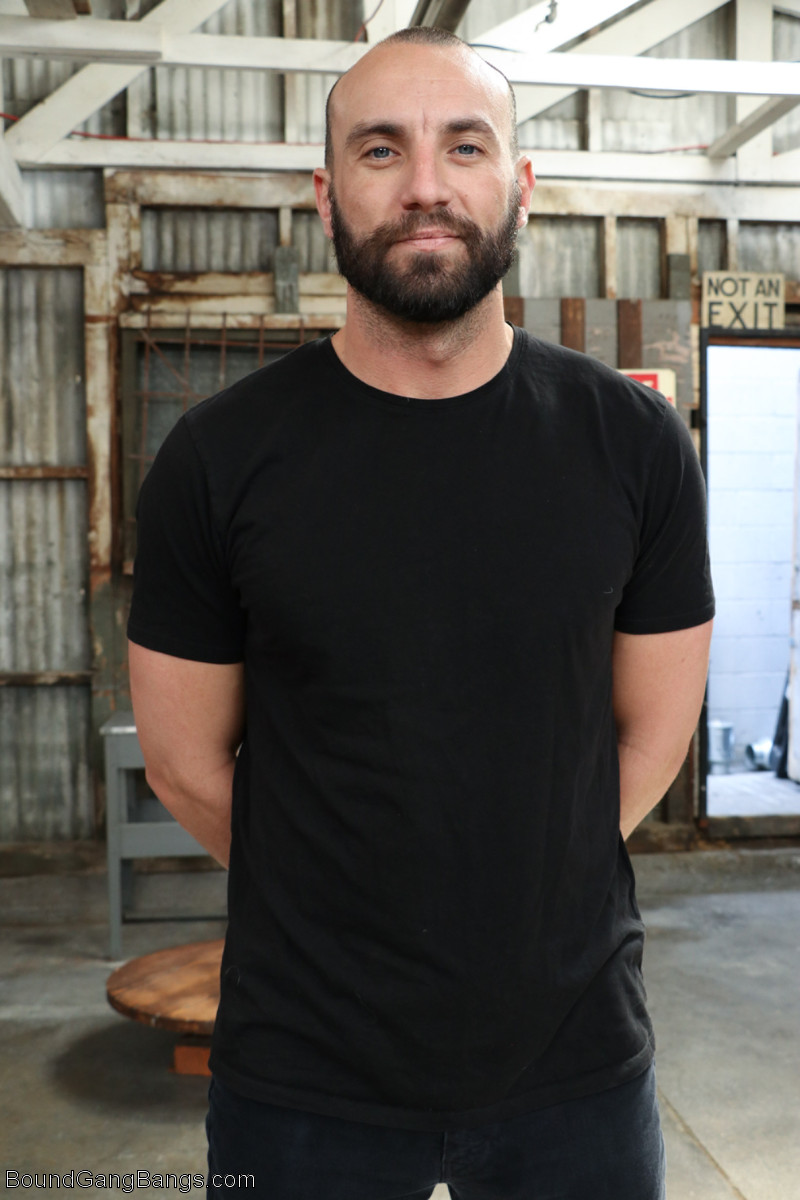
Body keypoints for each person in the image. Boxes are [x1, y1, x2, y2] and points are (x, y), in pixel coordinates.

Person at [127, 26, 714, 1200]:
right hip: (303, 1076)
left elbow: (652, 733)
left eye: (464, 146)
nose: (425, 187)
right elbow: (185, 765)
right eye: (381, 149)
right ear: (325, 193)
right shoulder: (217, 457)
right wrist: (339, 889)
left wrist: (521, 875)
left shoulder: (631, 443)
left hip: (573, 1067)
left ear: (519, 185)